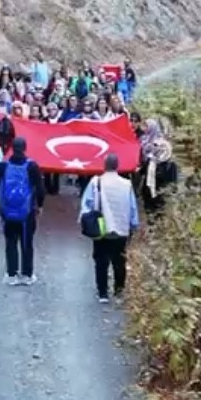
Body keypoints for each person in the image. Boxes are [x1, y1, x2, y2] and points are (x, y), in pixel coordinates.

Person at [80, 154, 139, 303]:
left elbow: (87, 204)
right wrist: (133, 224)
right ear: (117, 166)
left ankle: (103, 293)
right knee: (119, 261)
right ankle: (119, 291)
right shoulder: (126, 184)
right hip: (121, 227)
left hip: (102, 227)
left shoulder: (96, 182)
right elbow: (132, 207)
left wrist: (86, 220)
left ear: (104, 165)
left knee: (101, 260)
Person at [0, 137, 44, 286]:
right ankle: (27, 275)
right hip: (26, 212)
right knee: (27, 242)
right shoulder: (32, 166)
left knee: (10, 242)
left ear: (11, 148)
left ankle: (11, 274)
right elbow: (40, 188)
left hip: (7, 210)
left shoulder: (3, 166)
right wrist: (40, 205)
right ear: (25, 148)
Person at [140, 118, 175, 213]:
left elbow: (166, 159)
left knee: (158, 199)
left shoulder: (162, 145)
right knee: (148, 194)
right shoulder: (145, 140)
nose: (145, 128)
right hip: (149, 178)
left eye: (147, 126)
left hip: (159, 178)